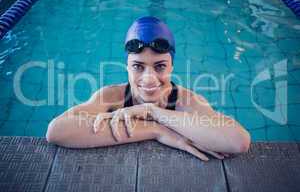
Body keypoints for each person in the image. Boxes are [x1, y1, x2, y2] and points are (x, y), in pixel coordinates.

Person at [46, 16, 250, 161]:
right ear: (127, 67)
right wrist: (157, 130)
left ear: (172, 66)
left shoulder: (187, 101)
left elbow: (238, 141)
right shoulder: (111, 97)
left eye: (160, 66)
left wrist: (153, 112)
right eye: (138, 66)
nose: (149, 79)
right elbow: (57, 131)